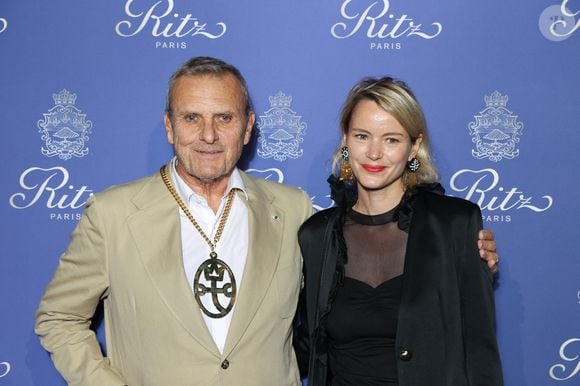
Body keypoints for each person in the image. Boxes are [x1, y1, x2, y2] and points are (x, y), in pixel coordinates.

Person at [35, 57, 499, 386]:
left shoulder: (293, 211)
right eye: (192, 118)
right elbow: (58, 317)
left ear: (249, 125)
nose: (209, 135)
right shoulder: (113, 214)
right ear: (170, 126)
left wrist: (465, 262)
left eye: (225, 117)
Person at [295, 77, 503, 385]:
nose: (374, 153)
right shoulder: (316, 236)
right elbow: (304, 347)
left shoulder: (455, 226)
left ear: (414, 146)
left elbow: (479, 353)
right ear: (345, 140)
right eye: (362, 136)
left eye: (391, 139)